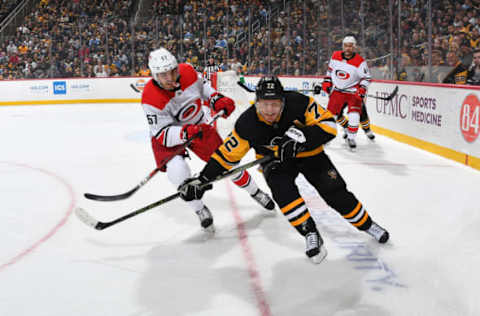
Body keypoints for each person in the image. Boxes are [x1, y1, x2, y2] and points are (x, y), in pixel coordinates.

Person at [178, 76, 390, 264]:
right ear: (256, 102)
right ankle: (310, 233)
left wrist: (303, 139)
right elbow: (226, 156)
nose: (269, 110)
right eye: (264, 104)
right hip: (274, 162)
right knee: (284, 195)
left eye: (275, 104)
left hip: (310, 155)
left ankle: (367, 225)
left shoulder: (299, 103)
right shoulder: (247, 123)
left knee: (335, 192)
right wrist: (202, 180)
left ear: (283, 101)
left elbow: (329, 126)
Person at [141, 48, 274, 233]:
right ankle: (199, 209)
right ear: (155, 75)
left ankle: (255, 191)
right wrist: (185, 133)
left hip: (199, 127)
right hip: (168, 136)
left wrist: (215, 99)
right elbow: (162, 134)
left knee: (227, 164)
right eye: (164, 75)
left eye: (172, 71)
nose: (171, 77)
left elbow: (203, 88)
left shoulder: (187, 71)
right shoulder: (150, 98)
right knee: (179, 173)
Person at [321, 35, 374, 151]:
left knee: (355, 115)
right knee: (330, 116)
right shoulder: (335, 56)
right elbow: (329, 71)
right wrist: (327, 82)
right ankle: (324, 137)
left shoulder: (360, 61)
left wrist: (362, 89)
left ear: (354, 47)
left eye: (350, 46)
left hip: (352, 93)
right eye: (346, 46)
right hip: (337, 92)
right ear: (343, 46)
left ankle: (351, 138)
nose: (348, 48)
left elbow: (367, 78)